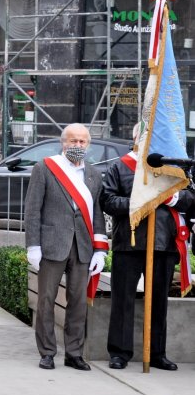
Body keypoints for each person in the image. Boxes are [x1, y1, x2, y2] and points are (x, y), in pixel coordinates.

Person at [100, 123, 191, 371]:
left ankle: (158, 353)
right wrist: (139, 202)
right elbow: (107, 201)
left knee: (159, 301)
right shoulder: (120, 166)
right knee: (123, 300)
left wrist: (172, 197)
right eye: (147, 136)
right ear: (136, 138)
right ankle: (119, 352)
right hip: (129, 243)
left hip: (164, 243)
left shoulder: (173, 169)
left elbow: (191, 199)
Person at [25, 123, 108, 372]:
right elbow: (32, 210)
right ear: (63, 143)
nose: (78, 146)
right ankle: (48, 352)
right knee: (47, 300)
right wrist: (33, 246)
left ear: (88, 144)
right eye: (73, 141)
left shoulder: (93, 174)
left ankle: (74, 353)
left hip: (82, 246)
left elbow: (97, 213)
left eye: (82, 141)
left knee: (78, 302)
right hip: (52, 245)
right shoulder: (45, 168)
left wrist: (101, 248)